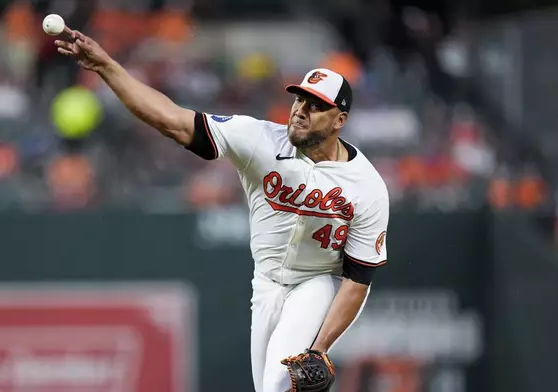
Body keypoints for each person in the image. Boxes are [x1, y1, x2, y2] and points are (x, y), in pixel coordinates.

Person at [55, 28, 390, 392]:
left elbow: (358, 280)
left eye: (315, 106)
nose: (301, 111)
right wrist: (107, 67)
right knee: (268, 388)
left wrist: (320, 348)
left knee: (281, 384)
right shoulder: (259, 139)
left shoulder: (366, 186)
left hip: (316, 282)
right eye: (300, 100)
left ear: (339, 120)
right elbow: (171, 120)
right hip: (265, 283)